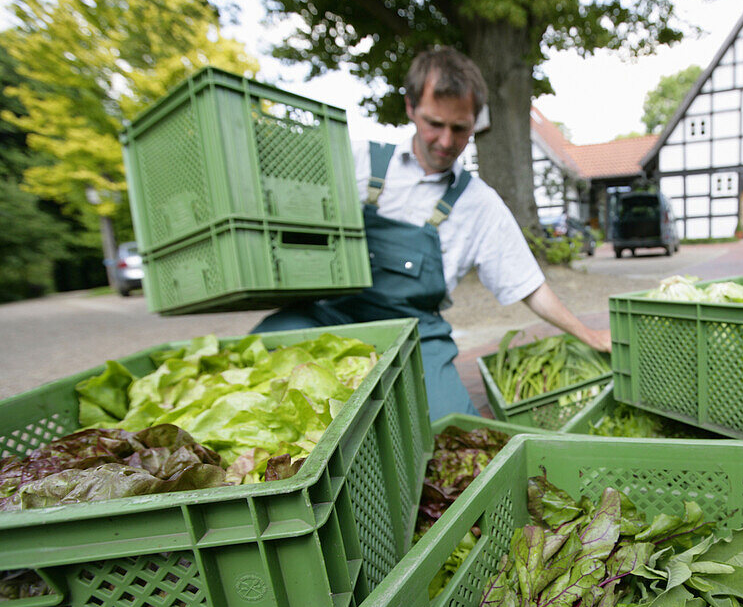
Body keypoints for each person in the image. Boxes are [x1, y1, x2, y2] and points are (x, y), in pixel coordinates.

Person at [252, 45, 611, 420]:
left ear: (476, 121)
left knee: (457, 430)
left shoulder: (480, 204)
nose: (445, 141)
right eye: (434, 124)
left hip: (416, 335)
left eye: (460, 129)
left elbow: (528, 285)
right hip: (333, 316)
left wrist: (588, 334)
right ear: (410, 108)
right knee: (258, 353)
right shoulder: (356, 162)